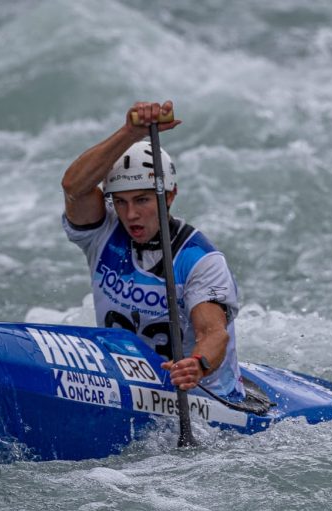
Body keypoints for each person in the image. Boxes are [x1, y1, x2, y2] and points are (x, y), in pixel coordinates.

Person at [60, 100, 244, 399]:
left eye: (143, 200)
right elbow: (73, 187)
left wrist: (197, 364)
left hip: (201, 397)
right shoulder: (103, 233)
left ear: (169, 196)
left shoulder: (198, 259)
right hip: (126, 385)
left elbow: (213, 333)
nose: (130, 214)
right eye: (121, 201)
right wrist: (131, 132)